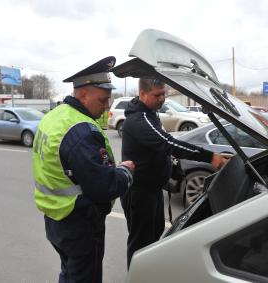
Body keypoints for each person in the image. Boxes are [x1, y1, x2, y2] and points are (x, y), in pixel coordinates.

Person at [32, 56, 135, 283]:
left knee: (69, 273)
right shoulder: (81, 130)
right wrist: (125, 172)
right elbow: (104, 186)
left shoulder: (54, 117)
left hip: (55, 218)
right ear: (84, 94)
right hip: (78, 224)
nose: (107, 106)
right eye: (103, 99)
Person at [120, 78, 229, 268]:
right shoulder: (139, 120)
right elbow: (168, 144)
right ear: (143, 94)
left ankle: (148, 275)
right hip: (140, 193)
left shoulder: (150, 114)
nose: (162, 98)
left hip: (152, 190)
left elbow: (158, 149)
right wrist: (210, 157)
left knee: (154, 237)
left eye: (164, 93)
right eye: (157, 95)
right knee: (140, 244)